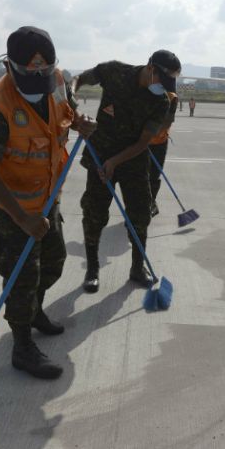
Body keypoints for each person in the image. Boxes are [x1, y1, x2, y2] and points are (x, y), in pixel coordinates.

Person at [0, 26, 96, 380]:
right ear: (10, 66)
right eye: (30, 74)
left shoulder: (55, 80)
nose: (40, 79)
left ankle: (35, 310)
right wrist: (22, 218)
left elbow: (68, 113)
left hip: (48, 196)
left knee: (54, 262)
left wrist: (81, 124)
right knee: (22, 276)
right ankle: (22, 345)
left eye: (44, 72)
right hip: (14, 207)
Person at [73, 49, 180, 293]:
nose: (164, 87)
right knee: (94, 214)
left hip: (132, 160)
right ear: (151, 68)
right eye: (162, 81)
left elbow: (143, 142)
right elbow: (79, 79)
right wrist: (71, 97)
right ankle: (92, 270)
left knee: (140, 214)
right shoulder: (115, 72)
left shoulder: (161, 101)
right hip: (99, 157)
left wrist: (115, 162)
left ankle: (137, 267)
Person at [148, 91, 178, 217]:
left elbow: (168, 121)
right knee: (140, 174)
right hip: (140, 143)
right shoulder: (142, 90)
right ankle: (141, 204)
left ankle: (151, 202)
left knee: (154, 175)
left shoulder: (172, 97)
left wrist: (152, 134)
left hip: (159, 143)